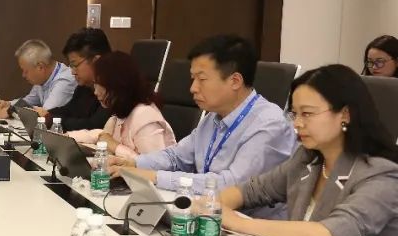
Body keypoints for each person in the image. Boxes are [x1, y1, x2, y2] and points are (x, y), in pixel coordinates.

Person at [220, 64, 398, 236]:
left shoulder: (382, 174)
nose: (297, 124)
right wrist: (214, 206)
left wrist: (238, 223)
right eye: (294, 114)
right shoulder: (308, 158)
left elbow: (326, 235)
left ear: (345, 114)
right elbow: (253, 190)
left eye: (307, 114)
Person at [110, 35, 297, 212]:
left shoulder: (269, 125)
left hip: (249, 225)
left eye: (202, 79)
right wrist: (134, 163)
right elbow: (177, 157)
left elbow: (231, 185)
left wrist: (155, 177)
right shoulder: (213, 117)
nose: (193, 88)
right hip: (207, 212)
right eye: (193, 79)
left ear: (235, 81)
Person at [66, 51, 175, 160]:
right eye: (95, 84)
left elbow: (153, 166)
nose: (96, 92)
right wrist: (66, 137)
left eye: (100, 84)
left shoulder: (145, 117)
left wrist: (115, 146)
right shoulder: (120, 113)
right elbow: (101, 135)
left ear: (118, 85)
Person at [42, 28, 113, 131]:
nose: (73, 72)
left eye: (75, 65)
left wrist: (53, 120)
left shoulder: (115, 89)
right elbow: (69, 110)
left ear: (96, 61)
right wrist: (47, 114)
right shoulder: (84, 87)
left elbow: (95, 125)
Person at [0, 39, 77, 119]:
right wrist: (8, 104)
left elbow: (44, 115)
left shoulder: (64, 81)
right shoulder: (43, 79)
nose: (23, 75)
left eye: (26, 71)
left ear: (40, 67)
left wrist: (11, 110)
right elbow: (28, 101)